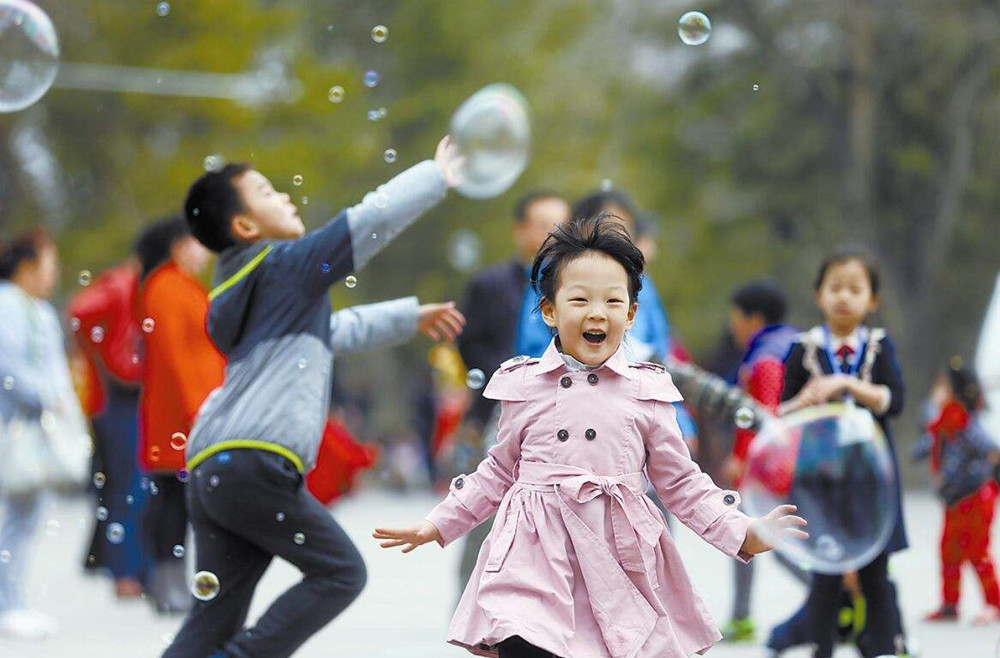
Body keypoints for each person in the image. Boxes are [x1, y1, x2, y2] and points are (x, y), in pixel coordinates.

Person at [374, 215, 806, 658]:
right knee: (525, 640)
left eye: (612, 301)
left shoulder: (647, 389)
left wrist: (742, 531)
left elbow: (682, 484)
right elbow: (497, 472)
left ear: (631, 314)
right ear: (549, 310)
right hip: (534, 555)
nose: (596, 312)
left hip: (618, 555)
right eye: (579, 299)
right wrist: (437, 523)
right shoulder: (521, 384)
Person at [162, 136, 463, 657]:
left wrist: (406, 317)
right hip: (256, 466)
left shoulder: (242, 291)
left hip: (213, 468)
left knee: (214, 613)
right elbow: (366, 223)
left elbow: (332, 333)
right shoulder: (286, 267)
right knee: (340, 573)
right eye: (267, 192)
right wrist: (432, 176)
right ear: (245, 227)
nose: (284, 197)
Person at [767, 250, 908, 658]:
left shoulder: (880, 347)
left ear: (872, 300)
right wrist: (808, 399)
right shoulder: (803, 348)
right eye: (835, 287)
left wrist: (847, 384)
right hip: (822, 480)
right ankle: (821, 650)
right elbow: (780, 410)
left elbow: (895, 401)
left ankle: (882, 648)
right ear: (818, 294)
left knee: (876, 575)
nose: (844, 297)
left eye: (855, 288)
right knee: (824, 575)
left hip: (871, 480)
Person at [452, 190, 570, 593]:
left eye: (561, 225)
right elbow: (469, 343)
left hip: (565, 412)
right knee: (483, 508)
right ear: (520, 229)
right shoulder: (489, 285)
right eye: (541, 224)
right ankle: (470, 604)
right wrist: (502, 374)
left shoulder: (574, 284)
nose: (551, 235)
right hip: (501, 409)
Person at [0, 229, 87, 639]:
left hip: (32, 433)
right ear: (27, 266)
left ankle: (14, 600)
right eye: (50, 264)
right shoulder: (8, 306)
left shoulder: (34, 309)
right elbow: (10, 367)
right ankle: (8, 603)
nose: (54, 274)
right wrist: (50, 398)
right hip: (14, 428)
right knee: (15, 519)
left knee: (25, 517)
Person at [136, 216, 220, 614]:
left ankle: (170, 581)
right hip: (180, 417)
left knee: (178, 501)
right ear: (177, 246)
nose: (204, 251)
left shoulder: (179, 286)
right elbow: (175, 358)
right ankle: (166, 582)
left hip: (188, 413)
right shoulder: (166, 287)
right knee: (172, 502)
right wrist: (198, 411)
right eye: (197, 243)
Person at [719, 280, 800, 642]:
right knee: (753, 535)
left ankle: (838, 596)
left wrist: (741, 459)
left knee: (770, 538)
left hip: (769, 470)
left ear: (754, 319)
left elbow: (761, 417)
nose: (732, 324)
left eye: (736, 316)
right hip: (782, 465)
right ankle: (741, 614)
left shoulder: (766, 358)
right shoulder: (787, 346)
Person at [67, 245, 149, 600]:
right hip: (117, 402)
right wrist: (110, 356)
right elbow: (79, 312)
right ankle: (126, 571)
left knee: (130, 486)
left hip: (124, 403)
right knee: (127, 486)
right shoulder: (124, 283)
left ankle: (131, 567)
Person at [913, 359, 1000, 624]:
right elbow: (925, 443)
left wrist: (981, 474)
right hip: (954, 499)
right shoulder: (942, 420)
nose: (937, 391)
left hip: (975, 495)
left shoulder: (964, 421)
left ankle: (994, 603)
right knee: (948, 549)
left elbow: (990, 448)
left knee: (976, 550)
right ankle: (950, 604)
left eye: (942, 385)